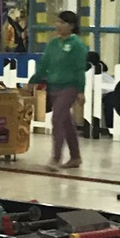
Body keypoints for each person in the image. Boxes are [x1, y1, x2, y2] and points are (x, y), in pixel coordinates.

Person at [36, 9, 89, 170]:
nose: (58, 25)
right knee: (66, 122)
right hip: (54, 86)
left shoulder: (77, 45)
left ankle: (56, 157)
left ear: (71, 26)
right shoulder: (53, 43)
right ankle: (75, 157)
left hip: (69, 87)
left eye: (62, 22)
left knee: (57, 119)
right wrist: (34, 80)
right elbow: (44, 63)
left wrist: (81, 90)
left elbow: (80, 69)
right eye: (57, 21)